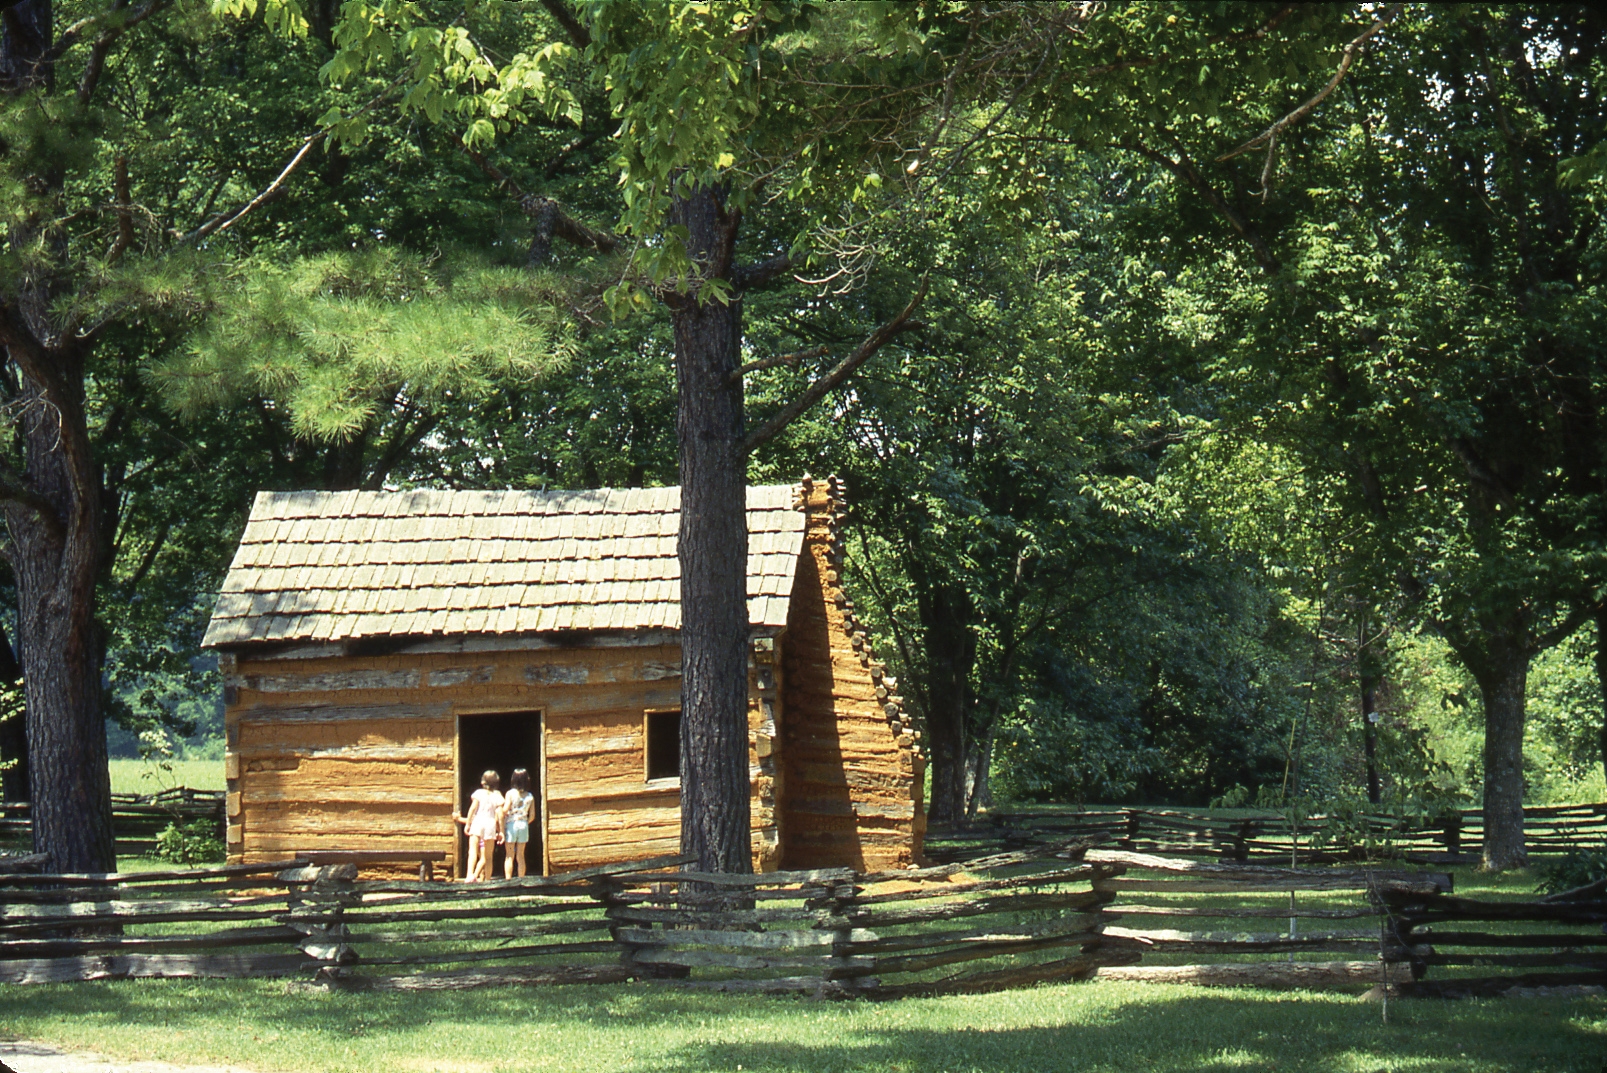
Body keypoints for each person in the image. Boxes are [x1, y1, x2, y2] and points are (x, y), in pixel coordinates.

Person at [453, 770, 503, 881]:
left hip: (478, 822)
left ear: (483, 782)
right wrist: (501, 831)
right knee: (488, 857)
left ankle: (469, 875)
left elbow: (472, 808)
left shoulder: (479, 793)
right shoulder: (498, 795)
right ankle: (488, 880)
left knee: (473, 851)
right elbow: (500, 814)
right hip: (490, 824)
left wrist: (468, 824)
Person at [501, 768, 536, 878]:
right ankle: (521, 879)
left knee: (509, 855)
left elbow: (505, 809)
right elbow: (532, 816)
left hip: (511, 825)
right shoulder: (530, 796)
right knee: (521, 855)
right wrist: (524, 821)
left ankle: (508, 880)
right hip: (523, 825)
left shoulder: (510, 794)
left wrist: (501, 812)